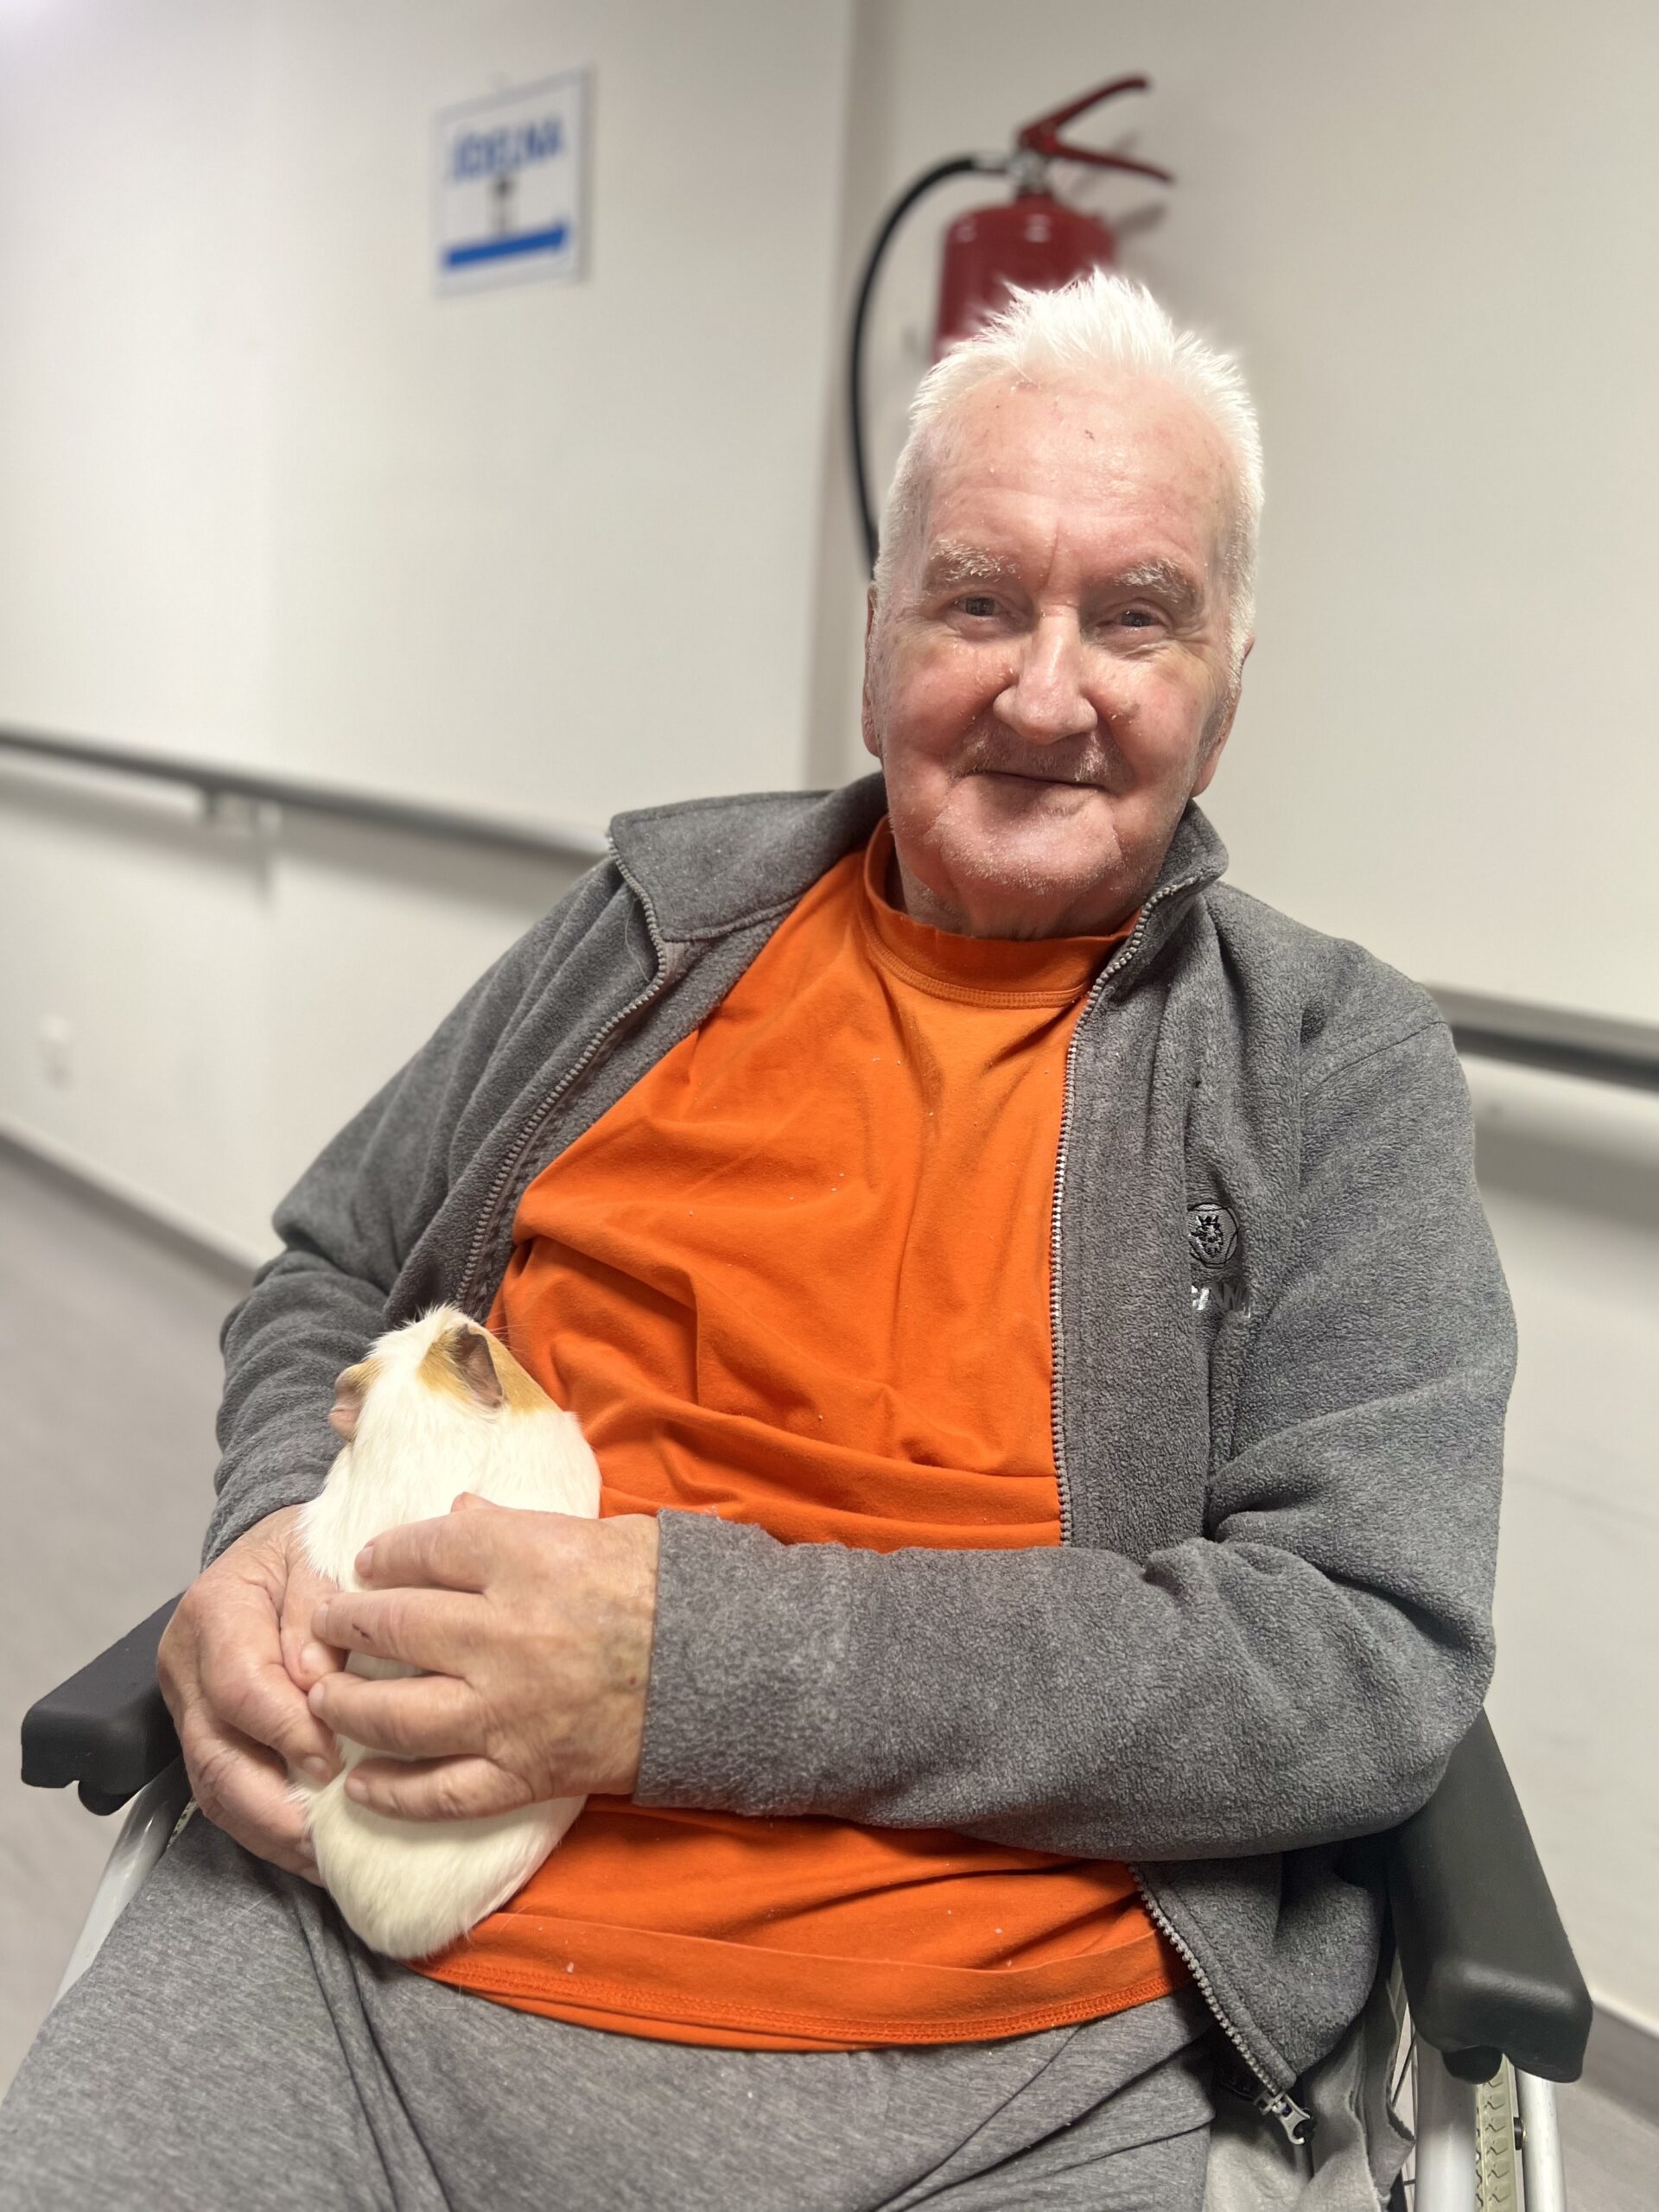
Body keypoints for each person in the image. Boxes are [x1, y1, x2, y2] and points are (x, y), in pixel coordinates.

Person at [0, 274, 1512, 2211]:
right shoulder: (649, 934)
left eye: (1136, 618)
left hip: (993, 2087)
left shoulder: (1327, 1063)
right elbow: (331, 1272)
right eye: (979, 602)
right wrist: (276, 1525)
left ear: (1226, 691)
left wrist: (686, 1666)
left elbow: (1357, 1654)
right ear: (875, 645)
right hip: (335, 1977)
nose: (1048, 692)